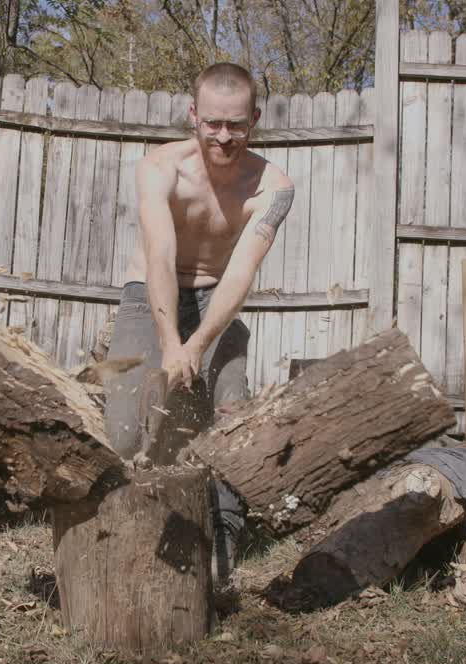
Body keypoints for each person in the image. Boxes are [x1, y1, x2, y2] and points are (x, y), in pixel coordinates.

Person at [102, 62, 295, 581]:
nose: (224, 136)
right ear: (193, 114)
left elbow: (241, 273)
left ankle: (224, 532)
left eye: (236, 125)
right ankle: (123, 527)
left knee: (230, 404)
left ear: (255, 119)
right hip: (150, 295)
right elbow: (160, 255)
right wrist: (170, 342)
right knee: (123, 427)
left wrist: (200, 343)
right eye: (213, 123)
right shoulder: (159, 168)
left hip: (217, 297)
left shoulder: (273, 187)